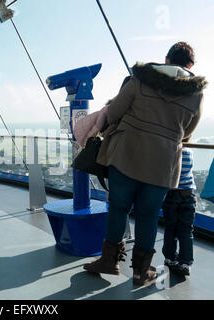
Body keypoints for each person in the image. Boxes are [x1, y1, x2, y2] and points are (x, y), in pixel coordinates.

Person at [83, 42, 207, 286]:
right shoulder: (196, 93)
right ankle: (141, 272)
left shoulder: (140, 78)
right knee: (148, 216)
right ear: (191, 66)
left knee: (118, 208)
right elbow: (188, 131)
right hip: (163, 165)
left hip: (126, 154)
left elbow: (115, 112)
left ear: (167, 59)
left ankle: (109, 261)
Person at [162, 140, 197, 276]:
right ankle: (185, 263)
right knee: (186, 230)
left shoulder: (169, 151)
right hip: (187, 195)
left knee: (170, 228)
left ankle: (170, 258)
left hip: (171, 194)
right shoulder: (189, 152)